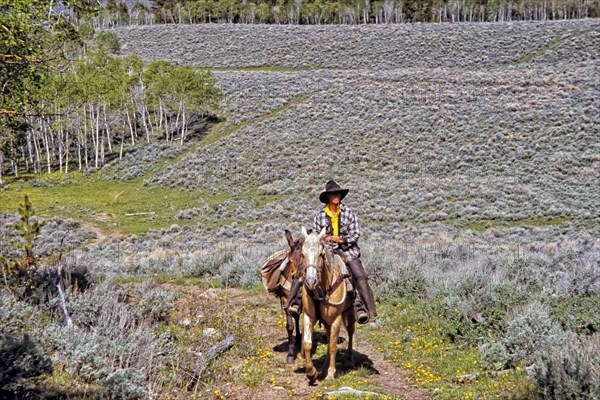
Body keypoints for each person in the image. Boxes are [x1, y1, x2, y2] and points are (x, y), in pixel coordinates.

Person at [313, 180, 377, 324]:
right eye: (333, 194)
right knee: (312, 272)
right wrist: (326, 239)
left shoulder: (349, 213)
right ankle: (308, 309)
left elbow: (355, 235)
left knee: (360, 276)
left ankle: (368, 311)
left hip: (348, 251)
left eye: (338, 193)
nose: (336, 195)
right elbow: (317, 237)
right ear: (328, 197)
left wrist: (340, 240)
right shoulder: (319, 216)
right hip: (327, 252)